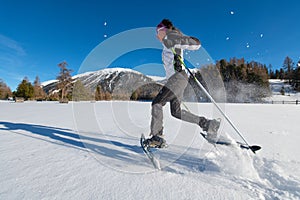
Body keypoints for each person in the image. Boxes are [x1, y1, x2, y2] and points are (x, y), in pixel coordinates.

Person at [143, 19, 220, 148]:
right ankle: (207, 124)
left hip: (178, 78)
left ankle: (157, 137)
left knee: (157, 103)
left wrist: (181, 40)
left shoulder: (171, 37)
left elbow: (195, 44)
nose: (157, 35)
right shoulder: (167, 43)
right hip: (175, 80)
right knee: (176, 112)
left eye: (158, 31)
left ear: (165, 29)